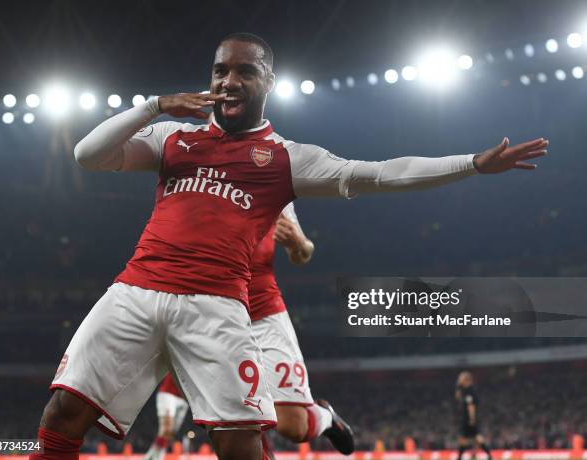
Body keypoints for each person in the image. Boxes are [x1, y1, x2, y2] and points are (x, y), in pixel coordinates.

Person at [30, 32, 547, 460]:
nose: (229, 80)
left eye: (245, 71)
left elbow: (381, 174)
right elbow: (87, 155)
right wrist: (153, 106)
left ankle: (321, 416)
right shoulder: (172, 137)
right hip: (137, 291)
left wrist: (473, 164)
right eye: (220, 70)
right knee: (60, 417)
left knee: (248, 445)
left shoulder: (286, 159)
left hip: (219, 308)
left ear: (267, 83)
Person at [143, 203, 353, 460]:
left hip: (263, 315)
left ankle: (325, 418)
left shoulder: (272, 176)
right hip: (211, 320)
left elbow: (303, 252)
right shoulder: (191, 178)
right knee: (237, 425)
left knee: (294, 426)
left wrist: (298, 243)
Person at [142, 374, 189, 460]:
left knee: (170, 433)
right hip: (168, 393)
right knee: (167, 429)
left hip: (184, 398)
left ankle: (151, 456)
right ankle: (155, 457)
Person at [456, 371, 492, 460]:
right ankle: (489, 454)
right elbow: (457, 396)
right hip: (467, 418)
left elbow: (471, 406)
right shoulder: (464, 390)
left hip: (468, 418)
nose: (459, 380)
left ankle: (460, 457)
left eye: (461, 378)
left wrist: (472, 419)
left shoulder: (470, 391)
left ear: (466, 380)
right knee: (473, 437)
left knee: (469, 437)